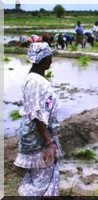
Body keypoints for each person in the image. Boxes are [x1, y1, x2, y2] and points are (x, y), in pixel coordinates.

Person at [14, 42, 63, 196]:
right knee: (42, 180)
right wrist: (49, 143)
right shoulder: (36, 82)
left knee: (38, 176)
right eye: (50, 56)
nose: (52, 60)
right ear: (45, 59)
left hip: (36, 136)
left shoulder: (32, 78)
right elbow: (37, 114)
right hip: (39, 139)